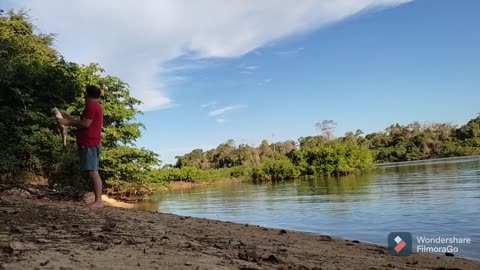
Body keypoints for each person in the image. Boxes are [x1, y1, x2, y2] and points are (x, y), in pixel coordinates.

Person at [59, 85, 104, 208]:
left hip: (90, 143)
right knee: (93, 171)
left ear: (87, 94)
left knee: (93, 172)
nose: (84, 95)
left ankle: (98, 201)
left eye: (85, 93)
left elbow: (85, 124)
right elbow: (83, 122)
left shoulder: (92, 106)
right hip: (91, 142)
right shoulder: (95, 106)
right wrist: (69, 118)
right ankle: (98, 201)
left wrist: (67, 122)